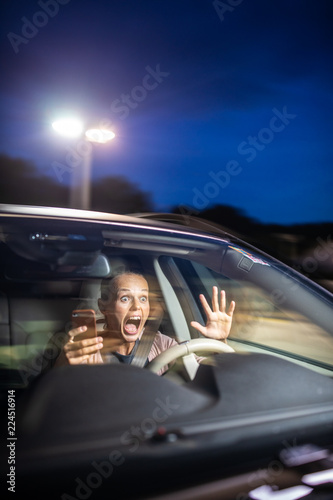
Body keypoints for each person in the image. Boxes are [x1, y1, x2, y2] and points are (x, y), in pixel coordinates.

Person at [54, 271, 235, 374]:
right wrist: (63, 363)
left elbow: (213, 374)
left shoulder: (162, 344)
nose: (136, 307)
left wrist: (219, 343)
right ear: (104, 306)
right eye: (125, 298)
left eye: (143, 298)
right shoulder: (86, 349)